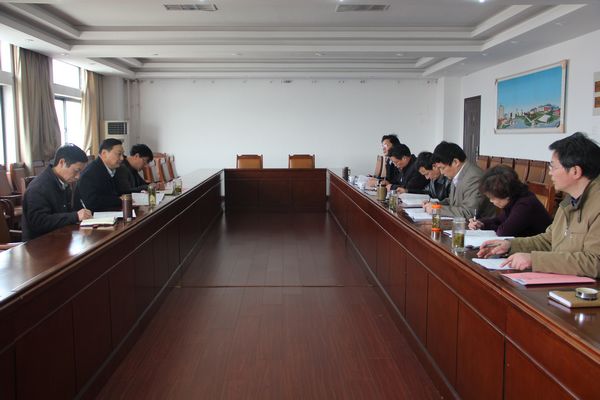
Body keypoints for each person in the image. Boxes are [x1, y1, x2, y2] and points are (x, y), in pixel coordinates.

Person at [478, 132, 600, 278]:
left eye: (553, 167)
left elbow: (595, 262)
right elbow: (549, 239)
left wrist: (534, 260)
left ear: (575, 171)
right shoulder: (569, 201)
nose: (550, 173)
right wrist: (510, 245)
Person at [22, 144, 92, 241]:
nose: (78, 176)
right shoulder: (39, 187)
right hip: (40, 244)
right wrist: (75, 216)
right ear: (62, 162)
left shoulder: (63, 182)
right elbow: (39, 222)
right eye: (76, 171)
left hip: (60, 238)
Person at [468, 165, 552, 237]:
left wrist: (485, 227)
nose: (491, 201)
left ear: (506, 195)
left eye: (492, 198)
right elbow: (499, 220)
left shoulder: (525, 204)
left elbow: (504, 232)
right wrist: (481, 223)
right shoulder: (515, 198)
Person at [424, 141, 495, 218]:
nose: (441, 172)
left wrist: (437, 209)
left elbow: (469, 212)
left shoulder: (474, 178)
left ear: (455, 162)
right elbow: (453, 201)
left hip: (480, 223)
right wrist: (436, 204)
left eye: (442, 168)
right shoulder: (459, 173)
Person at [75, 138, 124, 211]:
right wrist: (119, 200)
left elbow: (118, 192)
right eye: (119, 154)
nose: (122, 158)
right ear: (104, 153)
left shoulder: (114, 169)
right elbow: (92, 203)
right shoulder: (90, 173)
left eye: (123, 154)